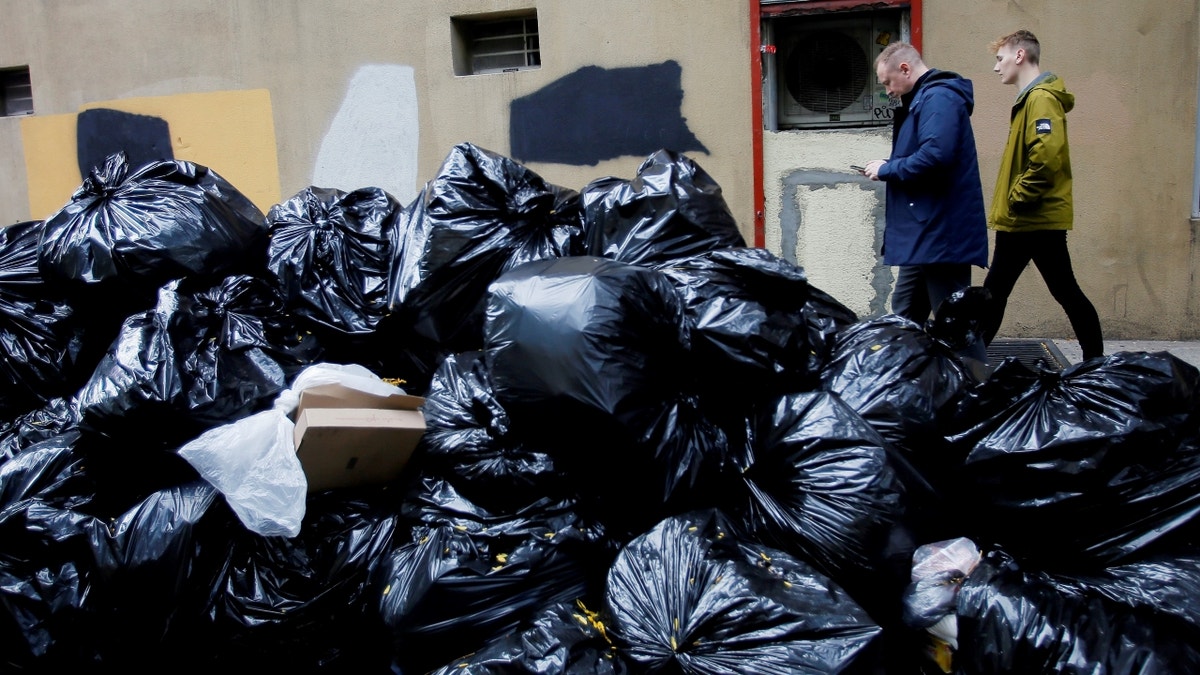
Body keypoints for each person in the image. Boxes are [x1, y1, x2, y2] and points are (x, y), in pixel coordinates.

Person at [861, 42, 990, 368]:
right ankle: (901, 387)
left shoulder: (938, 98)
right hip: (926, 234)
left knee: (956, 326)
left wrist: (888, 169)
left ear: (905, 69)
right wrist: (890, 163)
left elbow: (936, 156)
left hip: (939, 235)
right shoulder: (925, 100)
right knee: (904, 317)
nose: (888, 91)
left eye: (888, 82)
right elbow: (928, 153)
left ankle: (983, 397)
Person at [980, 29, 1103, 360]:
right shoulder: (1032, 100)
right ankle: (1096, 363)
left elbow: (1046, 158)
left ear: (1019, 56)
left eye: (1000, 58)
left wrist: (1017, 198)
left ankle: (967, 366)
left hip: (1030, 219)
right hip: (1031, 220)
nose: (996, 67)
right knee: (1053, 292)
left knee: (998, 292)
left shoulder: (1041, 99)